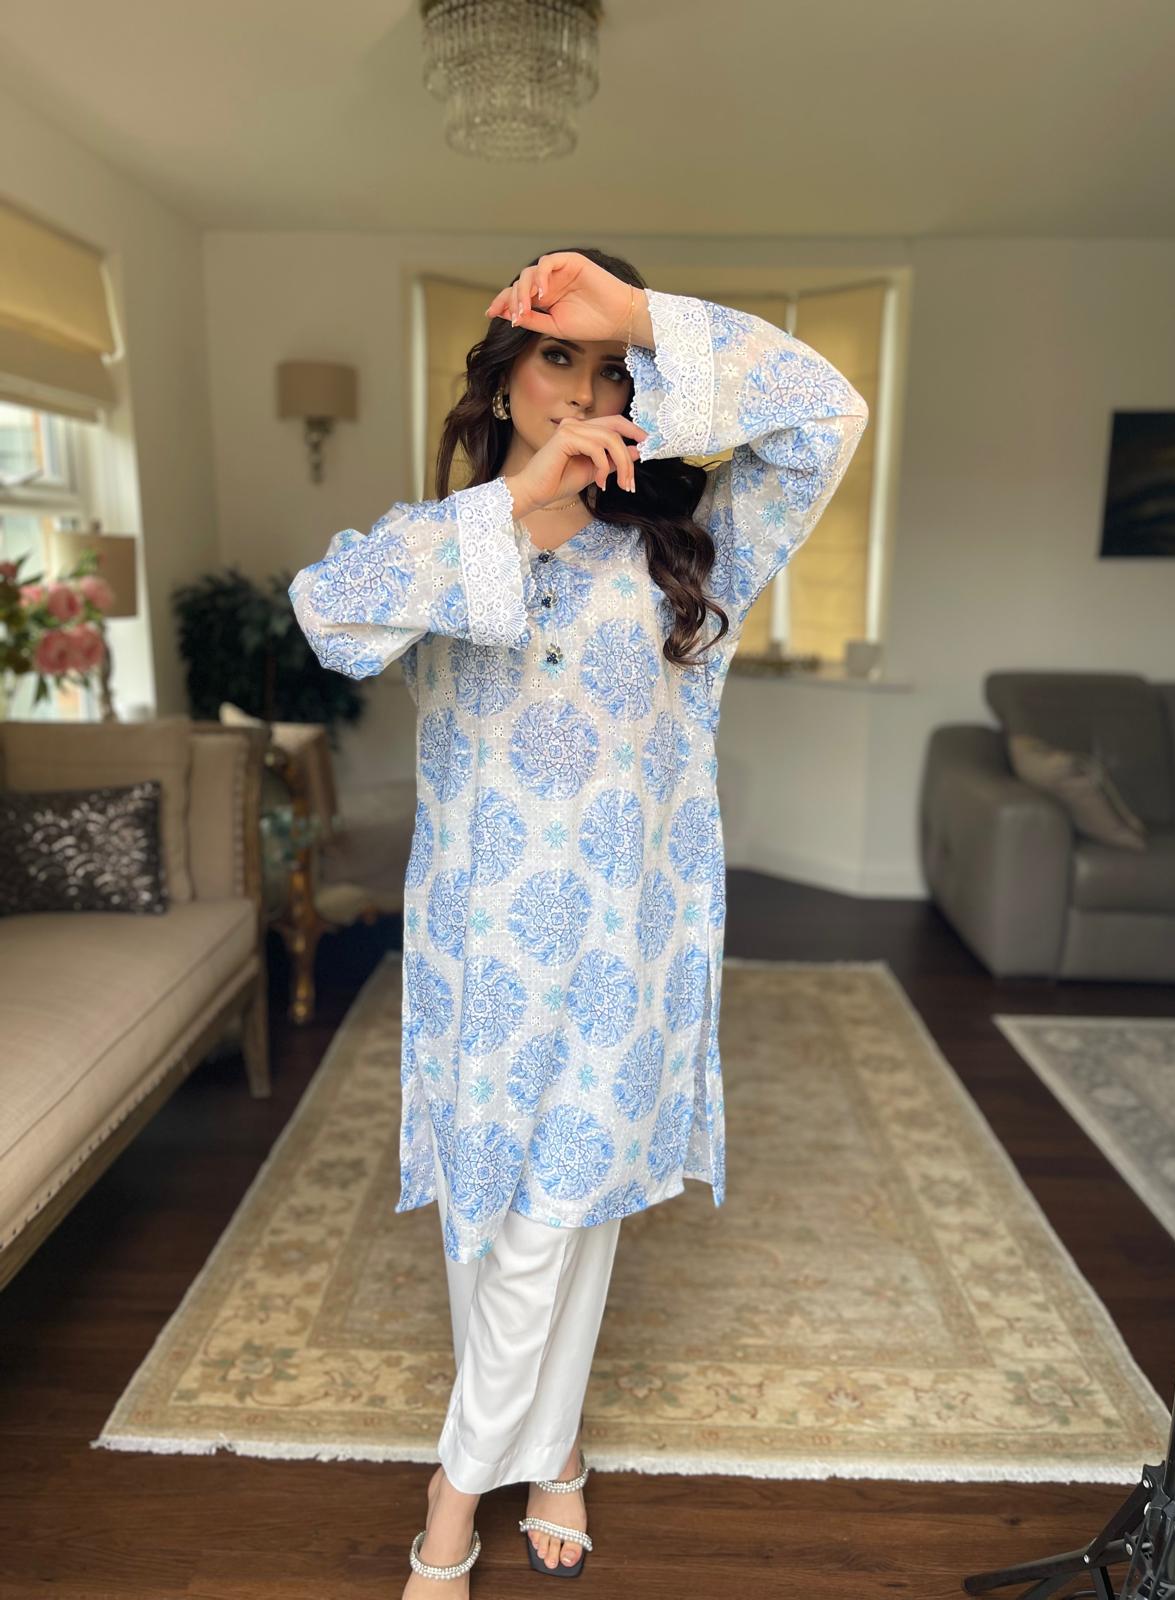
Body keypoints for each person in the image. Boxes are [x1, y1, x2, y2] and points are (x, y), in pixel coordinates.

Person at [287, 248, 869, 1594]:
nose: (590, 391)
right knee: (488, 1224)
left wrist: (641, 315)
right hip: (477, 953)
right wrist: (517, 499)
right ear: (504, 378)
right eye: (562, 355)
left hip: (623, 949)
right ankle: (556, 1453)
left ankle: (451, 1494)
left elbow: (828, 414)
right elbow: (328, 616)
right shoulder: (442, 543)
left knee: (560, 1220)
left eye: (616, 372)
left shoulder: (695, 543)